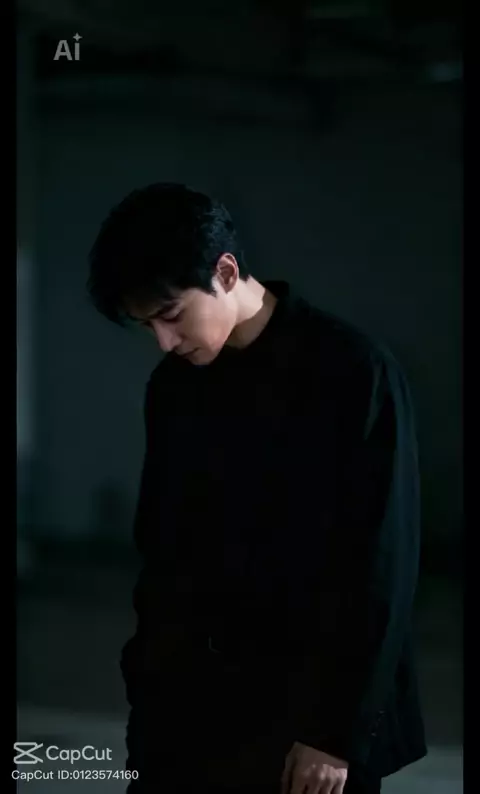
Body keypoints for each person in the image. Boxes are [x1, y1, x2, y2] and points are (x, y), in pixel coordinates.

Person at [86, 183, 427, 793]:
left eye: (171, 315)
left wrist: (334, 733)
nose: (164, 341)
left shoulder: (352, 370)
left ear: (225, 272)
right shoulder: (174, 387)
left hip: (307, 717)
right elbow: (163, 550)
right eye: (146, 326)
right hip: (186, 708)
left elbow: (379, 564)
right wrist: (148, 690)